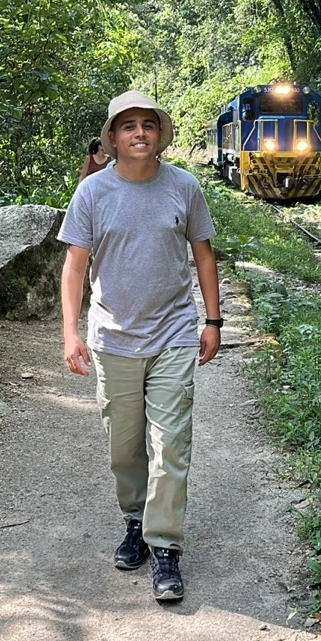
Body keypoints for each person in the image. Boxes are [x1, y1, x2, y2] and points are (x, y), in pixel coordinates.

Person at [58, 90, 222, 603]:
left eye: (147, 125)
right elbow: (74, 267)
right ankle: (135, 521)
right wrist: (70, 332)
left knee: (170, 443)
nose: (139, 133)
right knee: (124, 446)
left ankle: (165, 545)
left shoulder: (184, 186)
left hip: (174, 332)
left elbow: (204, 255)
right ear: (112, 137)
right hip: (113, 337)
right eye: (128, 126)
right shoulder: (92, 192)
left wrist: (213, 320)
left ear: (159, 134)